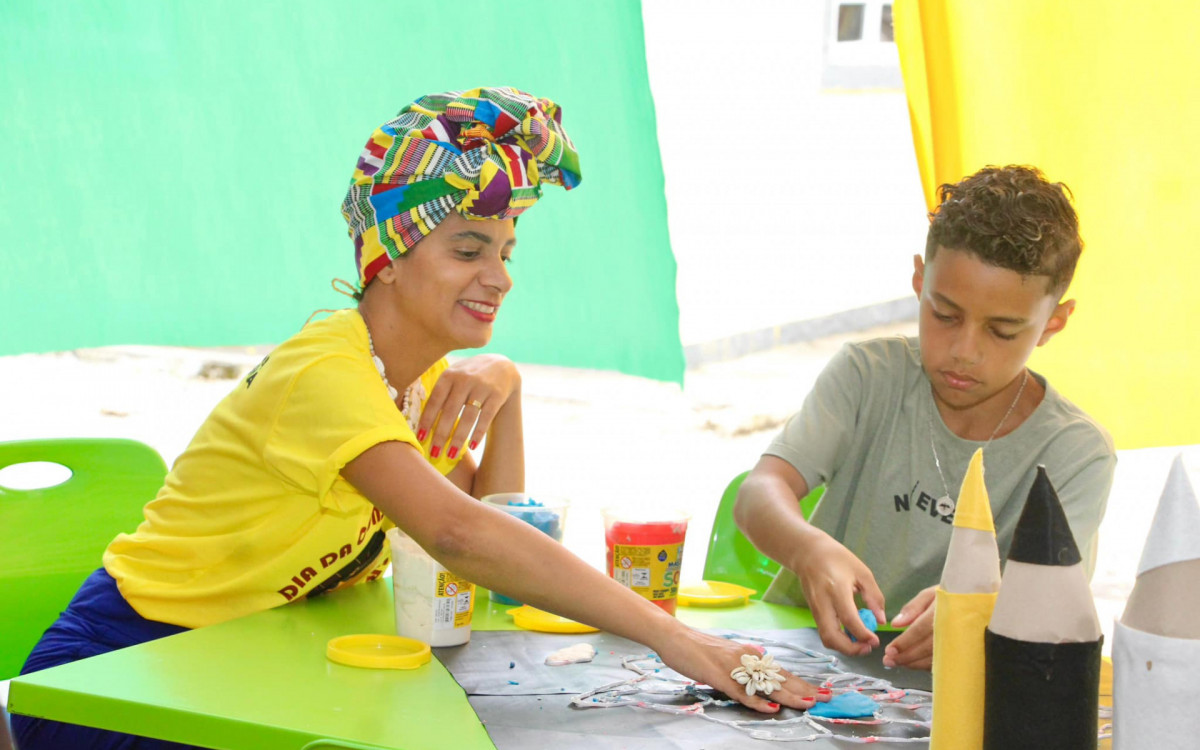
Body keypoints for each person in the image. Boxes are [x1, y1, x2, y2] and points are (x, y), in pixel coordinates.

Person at [13, 87, 824, 750]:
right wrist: (679, 640)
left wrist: (506, 394)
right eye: (469, 250)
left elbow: (500, 541)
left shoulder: (412, 379)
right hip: (119, 671)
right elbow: (458, 535)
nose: (499, 276)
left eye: (507, 252)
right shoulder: (327, 372)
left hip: (244, 662)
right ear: (388, 260)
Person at [733, 165, 1116, 671]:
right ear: (919, 280)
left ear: (1054, 324)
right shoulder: (867, 376)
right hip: (806, 672)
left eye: (1002, 331)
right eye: (945, 314)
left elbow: (1053, 601)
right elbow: (759, 492)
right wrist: (807, 549)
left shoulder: (1077, 453)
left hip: (964, 699)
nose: (964, 351)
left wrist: (984, 608)